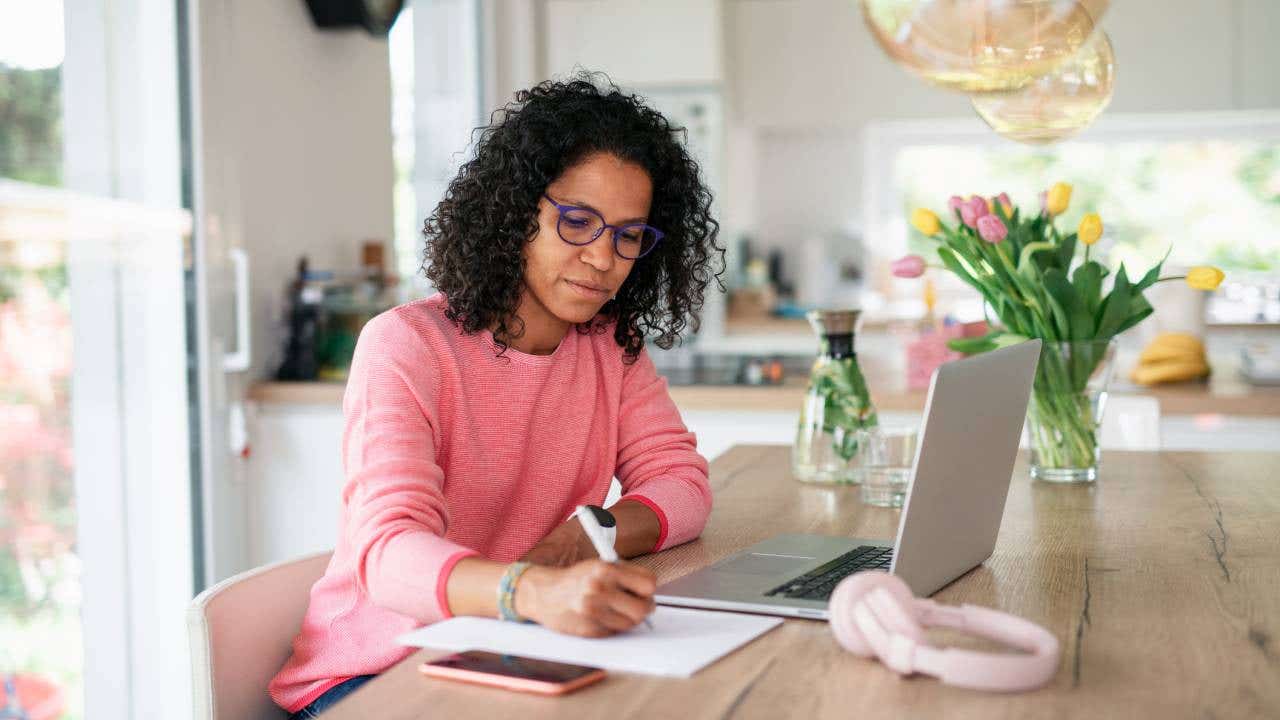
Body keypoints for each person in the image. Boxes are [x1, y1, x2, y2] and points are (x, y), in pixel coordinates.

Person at [269, 72, 725, 718]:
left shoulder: (609, 346)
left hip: (503, 646)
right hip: (373, 675)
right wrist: (533, 592)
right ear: (515, 215)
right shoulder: (407, 345)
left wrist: (586, 534)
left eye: (628, 235)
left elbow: (683, 486)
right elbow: (389, 553)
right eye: (577, 222)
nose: (603, 258)